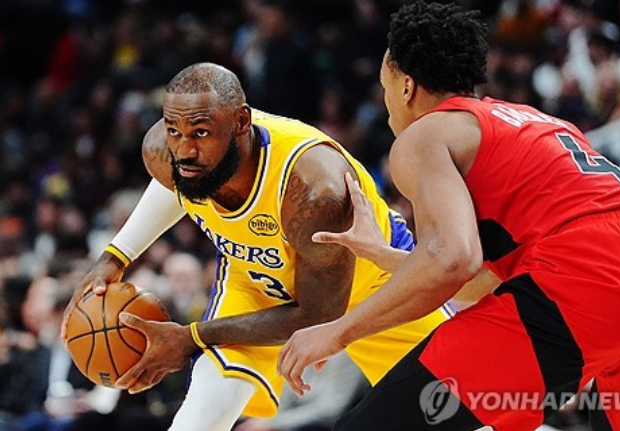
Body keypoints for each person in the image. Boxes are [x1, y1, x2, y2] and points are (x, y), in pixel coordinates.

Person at [277, 3, 620, 431]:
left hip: (587, 275)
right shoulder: (538, 121)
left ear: (405, 86)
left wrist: (338, 331)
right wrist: (386, 256)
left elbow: (453, 258)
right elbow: (484, 282)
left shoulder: (425, 135)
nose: (386, 103)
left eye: (385, 87)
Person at [60, 62, 483, 431]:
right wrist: (114, 257)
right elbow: (176, 181)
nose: (185, 149)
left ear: (241, 123)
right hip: (256, 282)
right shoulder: (171, 151)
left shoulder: (314, 189)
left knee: (465, 416)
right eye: (175, 131)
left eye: (201, 132)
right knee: (200, 415)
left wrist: (191, 337)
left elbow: (319, 314)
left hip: (373, 286)